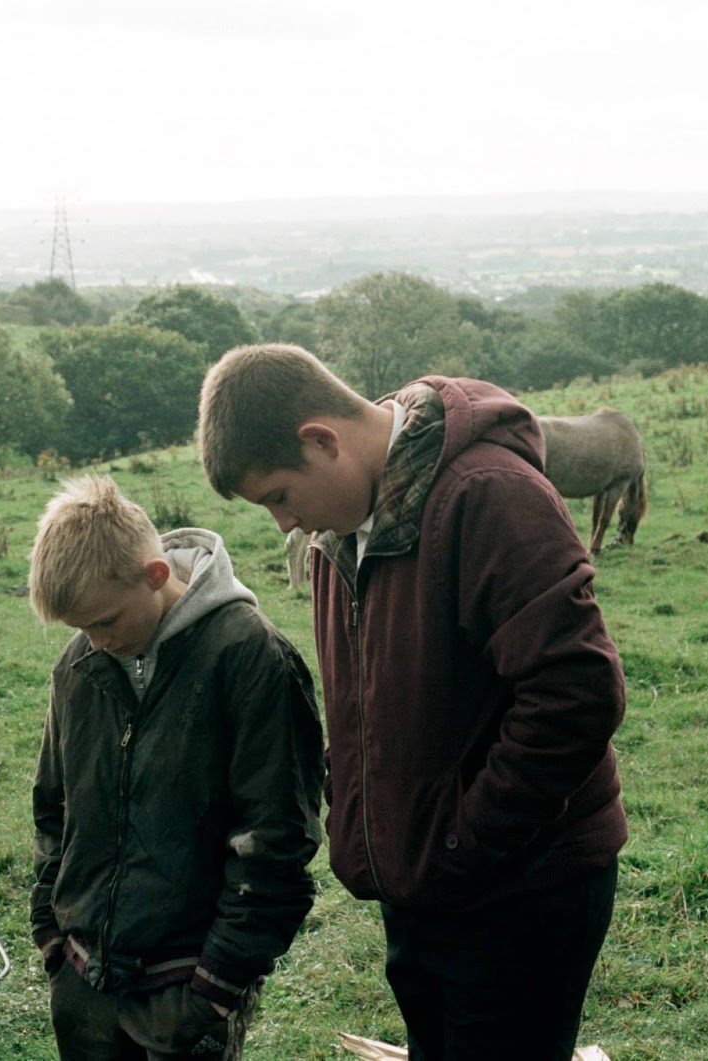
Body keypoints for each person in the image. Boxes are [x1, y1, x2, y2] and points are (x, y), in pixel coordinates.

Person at [197, 344, 627, 1060]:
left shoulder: (488, 495)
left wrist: (464, 839)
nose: (283, 523)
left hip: (520, 892)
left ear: (322, 440)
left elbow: (576, 692)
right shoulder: (345, 530)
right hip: (425, 887)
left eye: (278, 495)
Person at [26, 474, 325, 1061]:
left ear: (156, 576)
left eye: (106, 621)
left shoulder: (251, 658)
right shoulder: (80, 663)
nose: (95, 641)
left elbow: (277, 841)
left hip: (185, 993)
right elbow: (52, 806)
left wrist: (215, 988)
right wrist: (52, 938)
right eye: (80, 629)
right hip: (82, 984)